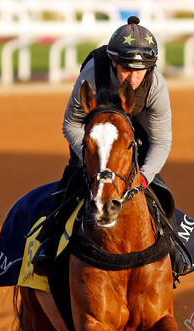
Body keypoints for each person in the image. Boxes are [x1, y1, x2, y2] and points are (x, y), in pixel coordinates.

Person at [31, 16, 174, 276]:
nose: (132, 78)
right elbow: (71, 124)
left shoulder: (156, 86)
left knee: (160, 193)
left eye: (139, 71)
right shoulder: (92, 74)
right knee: (71, 181)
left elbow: (162, 140)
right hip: (94, 135)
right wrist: (92, 155)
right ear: (113, 62)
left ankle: (173, 252)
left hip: (131, 136)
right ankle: (47, 245)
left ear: (150, 68)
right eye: (126, 70)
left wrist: (143, 177)